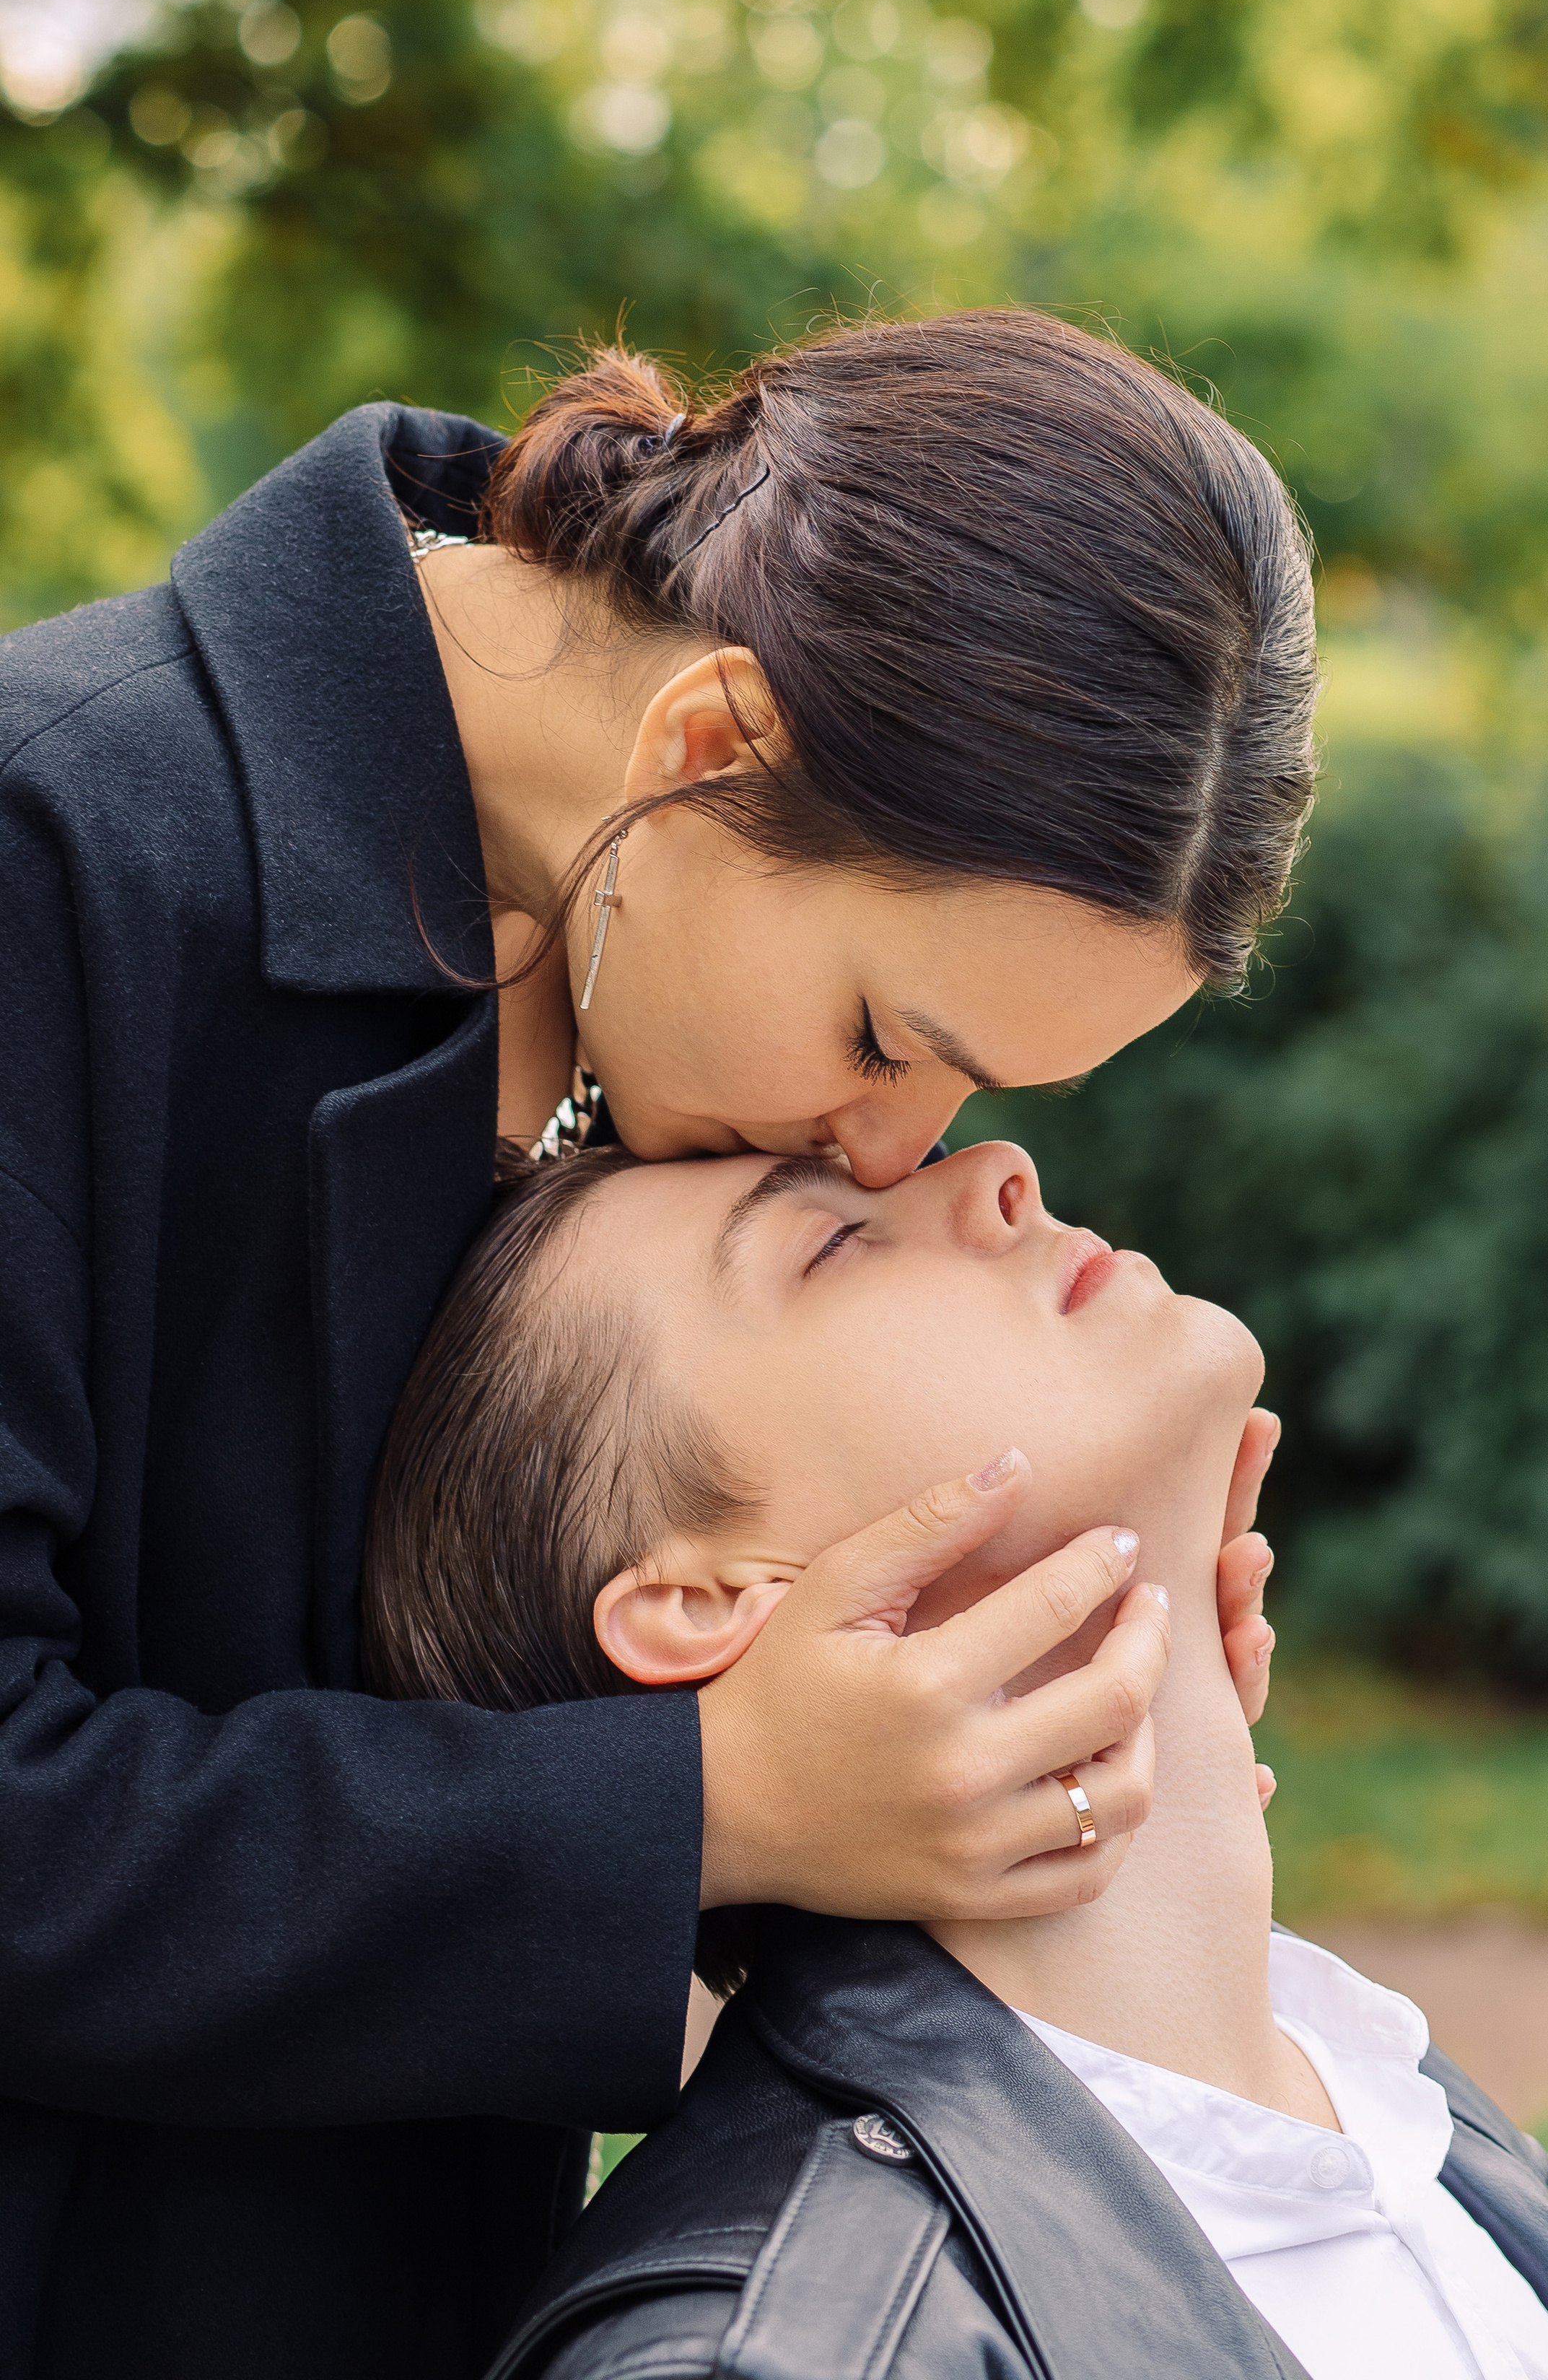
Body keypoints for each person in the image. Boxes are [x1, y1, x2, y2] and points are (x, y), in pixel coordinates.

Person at [0, 310, 1316, 2379]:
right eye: (893, 1041)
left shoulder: (639, 969)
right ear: (706, 747)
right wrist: (717, 1799)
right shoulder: (49, 860)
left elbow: (509, 1674)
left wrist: (978, 1737)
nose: (895, 1157)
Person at [363, 1137, 1548, 2380]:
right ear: (713, 1600)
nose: (1000, 1167)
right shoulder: (774, 2356)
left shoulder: (1403, 2127)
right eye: (834, 1240)